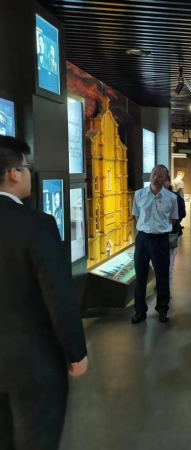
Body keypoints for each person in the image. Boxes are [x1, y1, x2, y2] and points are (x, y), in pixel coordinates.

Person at [0, 136, 88, 450]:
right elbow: (58, 295)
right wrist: (76, 352)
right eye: (27, 167)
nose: (29, 173)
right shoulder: (37, 224)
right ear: (13, 174)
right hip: (32, 363)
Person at [131, 165, 179, 324]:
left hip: (160, 239)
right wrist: (147, 228)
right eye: (154, 173)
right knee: (140, 276)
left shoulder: (171, 198)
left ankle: (163, 309)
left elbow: (173, 219)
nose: (155, 177)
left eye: (160, 175)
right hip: (143, 238)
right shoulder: (139, 194)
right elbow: (136, 215)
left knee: (162, 276)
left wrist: (159, 228)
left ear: (165, 179)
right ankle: (140, 311)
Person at [164, 176, 187, 291]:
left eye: (163, 179)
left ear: (169, 182)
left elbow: (182, 213)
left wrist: (173, 221)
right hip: (154, 236)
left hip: (171, 234)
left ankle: (166, 288)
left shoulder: (176, 197)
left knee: (169, 263)